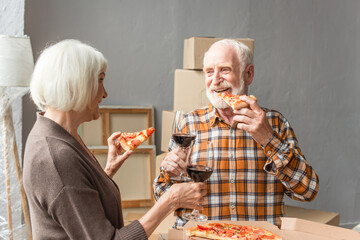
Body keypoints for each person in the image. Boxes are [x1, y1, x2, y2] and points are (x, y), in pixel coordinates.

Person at [23, 39, 206, 240]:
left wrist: (105, 173)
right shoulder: (56, 157)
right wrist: (171, 199)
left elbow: (75, 200)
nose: (105, 93)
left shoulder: (59, 135)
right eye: (100, 80)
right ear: (75, 85)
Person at [153, 39, 319, 228]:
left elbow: (308, 190)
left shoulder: (274, 123)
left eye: (224, 70)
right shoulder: (189, 124)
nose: (215, 80)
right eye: (209, 72)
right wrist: (171, 175)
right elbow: (160, 192)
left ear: (248, 74)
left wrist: (268, 139)